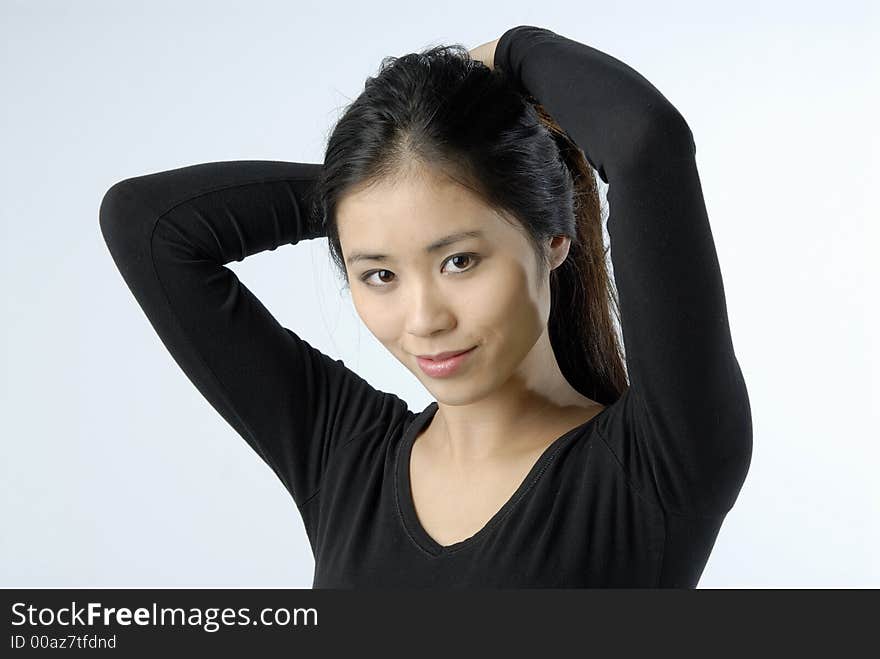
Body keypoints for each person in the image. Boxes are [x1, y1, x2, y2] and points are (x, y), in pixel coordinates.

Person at [99, 25, 752, 588]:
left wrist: (512, 51)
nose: (424, 320)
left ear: (553, 238)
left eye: (458, 260)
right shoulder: (343, 456)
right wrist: (380, 184)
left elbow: (645, 141)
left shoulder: (654, 467)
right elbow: (147, 226)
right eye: (379, 272)